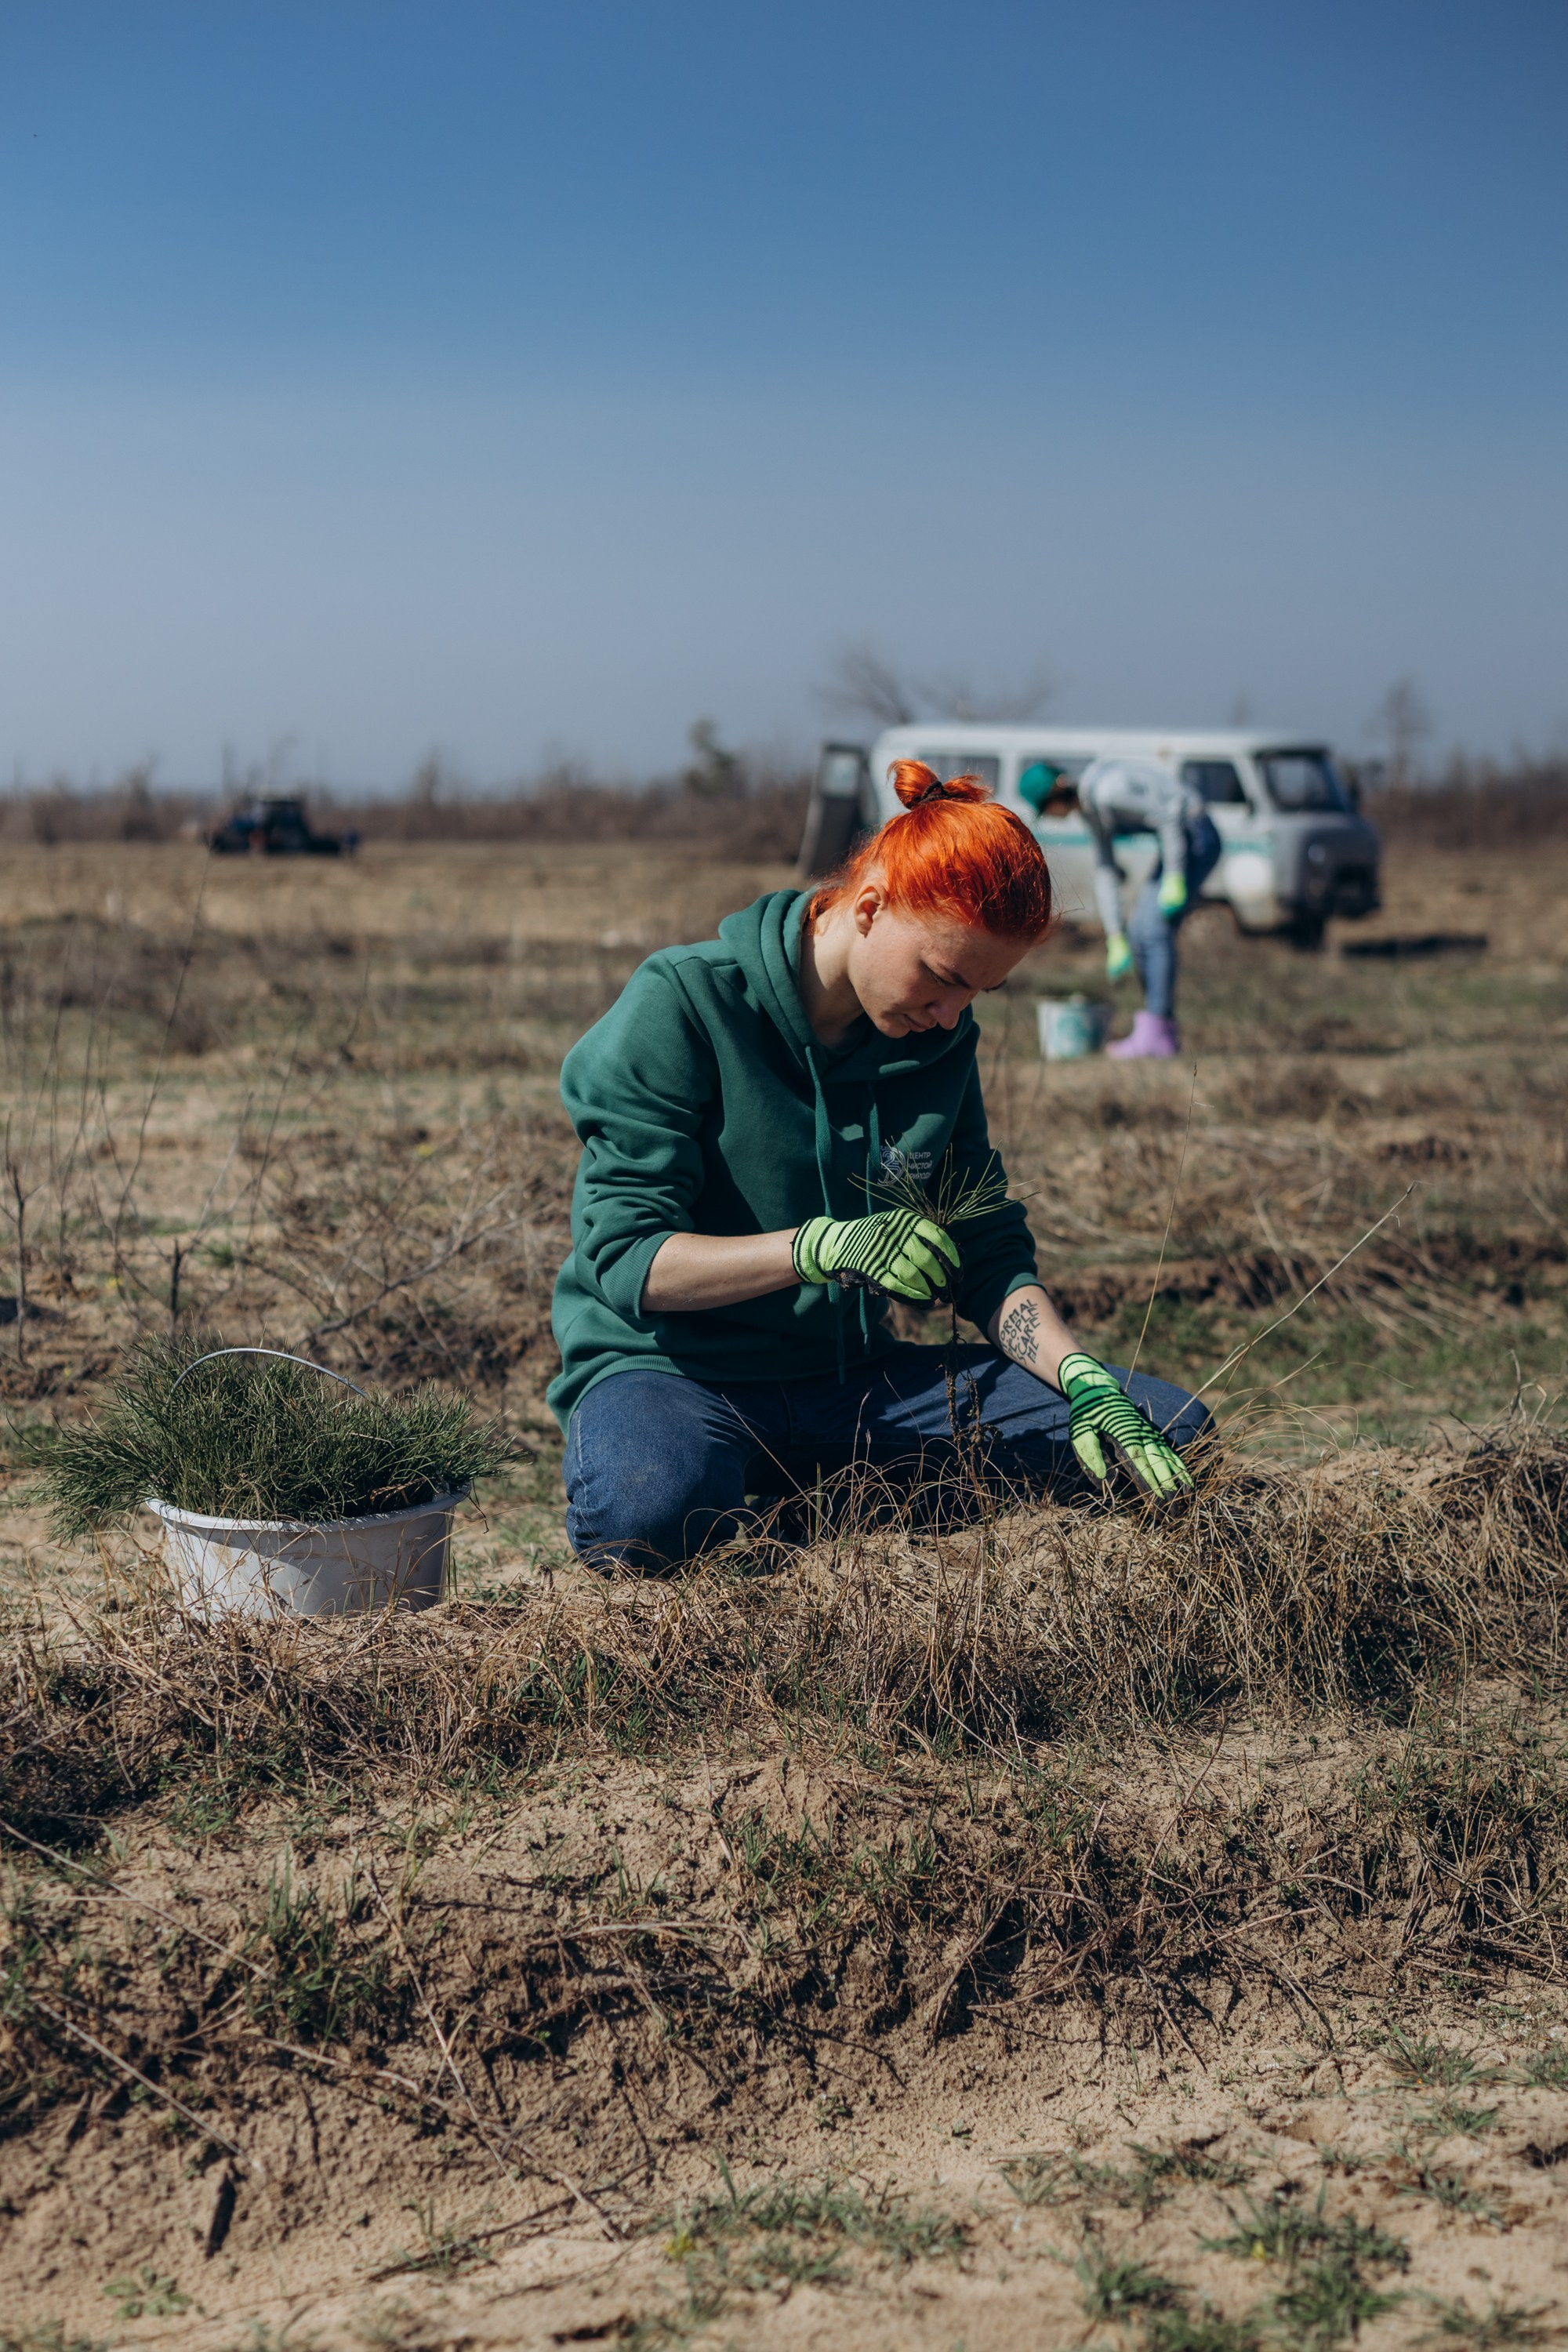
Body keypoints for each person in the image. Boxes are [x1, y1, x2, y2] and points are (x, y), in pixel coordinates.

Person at [547, 760, 1213, 1573]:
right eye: (940, 979)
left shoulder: (935, 1039)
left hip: (853, 1382)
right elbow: (627, 1260)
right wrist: (816, 1248)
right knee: (648, 1506)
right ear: (868, 907)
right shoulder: (685, 1004)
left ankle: (809, 1511)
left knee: (1167, 1429)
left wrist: (1076, 1375)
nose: (948, 1016)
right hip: (678, 1375)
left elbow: (987, 1250)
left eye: (978, 995)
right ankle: (774, 1499)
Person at [1019, 756, 1221, 1059]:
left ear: (1057, 791)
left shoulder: (1107, 793)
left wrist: (1174, 879)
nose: (1050, 816)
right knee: (1139, 932)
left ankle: (1159, 1032)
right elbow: (1105, 870)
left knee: (1152, 930)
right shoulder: (1093, 812)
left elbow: (1169, 818)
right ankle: (1156, 1027)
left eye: (1046, 807)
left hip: (1195, 834)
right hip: (1181, 840)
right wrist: (1115, 935)